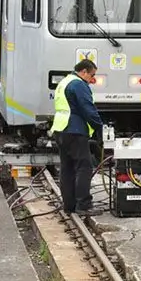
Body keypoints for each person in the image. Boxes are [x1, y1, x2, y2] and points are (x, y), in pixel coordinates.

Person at [50, 59, 104, 216]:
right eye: (92, 76)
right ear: (84, 72)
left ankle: (69, 205)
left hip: (60, 129)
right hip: (75, 130)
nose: (92, 80)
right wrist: (100, 127)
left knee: (67, 168)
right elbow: (88, 108)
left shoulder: (65, 81)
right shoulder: (79, 84)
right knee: (84, 167)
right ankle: (84, 205)